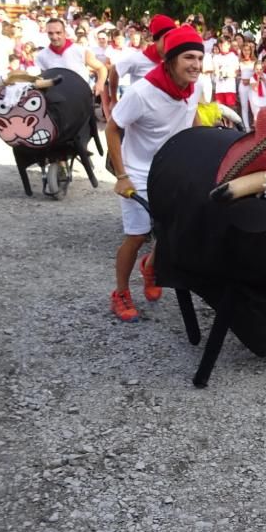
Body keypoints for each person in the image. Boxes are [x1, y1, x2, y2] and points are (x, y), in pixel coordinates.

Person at [105, 25, 203, 322]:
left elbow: (192, 115)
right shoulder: (142, 92)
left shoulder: (194, 86)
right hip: (138, 173)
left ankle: (151, 267)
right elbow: (112, 127)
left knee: (170, 230)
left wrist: (205, 147)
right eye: (189, 57)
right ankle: (120, 292)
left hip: (172, 171)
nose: (196, 65)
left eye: (200, 58)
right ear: (170, 59)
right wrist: (122, 177)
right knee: (137, 236)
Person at [35, 18, 107, 99]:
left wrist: (100, 84)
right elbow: (43, 79)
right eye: (50, 33)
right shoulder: (41, 56)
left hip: (81, 97)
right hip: (56, 100)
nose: (54, 37)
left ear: (65, 33)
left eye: (58, 33)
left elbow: (101, 68)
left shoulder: (80, 50)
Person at [211, 36, 239, 111]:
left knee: (231, 108)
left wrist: (227, 74)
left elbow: (237, 72)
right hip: (219, 88)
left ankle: (231, 123)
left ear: (229, 45)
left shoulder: (233, 57)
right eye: (220, 45)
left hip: (229, 87)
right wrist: (218, 74)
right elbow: (214, 72)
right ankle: (224, 123)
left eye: (224, 44)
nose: (222, 46)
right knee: (220, 109)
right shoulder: (216, 57)